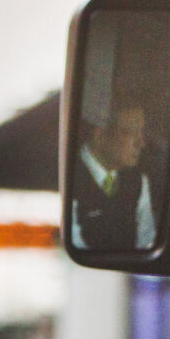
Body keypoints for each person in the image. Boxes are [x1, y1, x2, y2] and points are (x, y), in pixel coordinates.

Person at [71, 102, 156, 254]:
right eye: (130, 132)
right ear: (100, 135)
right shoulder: (67, 177)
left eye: (142, 132)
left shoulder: (137, 181)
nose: (141, 143)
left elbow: (147, 241)